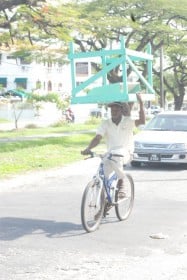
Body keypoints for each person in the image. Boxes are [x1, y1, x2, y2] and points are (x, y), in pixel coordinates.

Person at [81, 93, 145, 198]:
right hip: (111, 154)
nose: (114, 112)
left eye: (116, 110)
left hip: (126, 153)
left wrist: (141, 104)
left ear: (121, 110)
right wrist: (88, 148)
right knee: (102, 176)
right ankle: (103, 203)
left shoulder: (128, 121)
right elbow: (97, 138)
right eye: (112, 110)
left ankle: (122, 182)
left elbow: (142, 121)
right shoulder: (106, 123)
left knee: (116, 154)